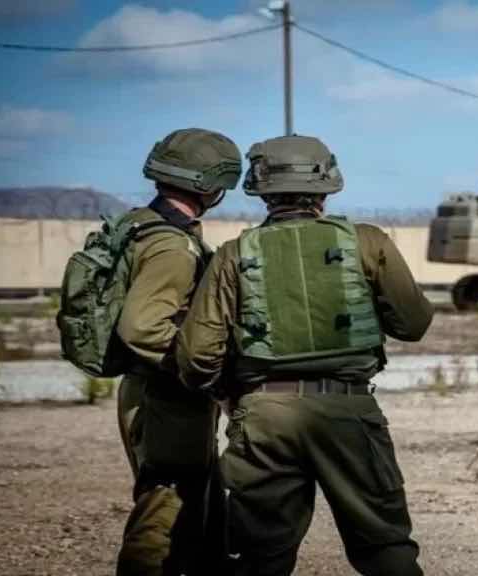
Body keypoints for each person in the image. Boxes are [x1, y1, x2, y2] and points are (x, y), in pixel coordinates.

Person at [176, 134, 433, 576]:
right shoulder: (367, 242)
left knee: (260, 555)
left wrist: (227, 394)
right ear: (326, 186)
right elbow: (413, 324)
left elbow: (197, 354)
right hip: (348, 412)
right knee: (383, 546)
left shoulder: (233, 255)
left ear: (261, 189)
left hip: (263, 417)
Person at [115, 128, 242, 576]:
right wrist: (201, 364)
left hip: (157, 391)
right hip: (167, 395)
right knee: (165, 509)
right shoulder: (173, 246)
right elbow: (142, 326)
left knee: (195, 507)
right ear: (209, 186)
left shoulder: (141, 225)